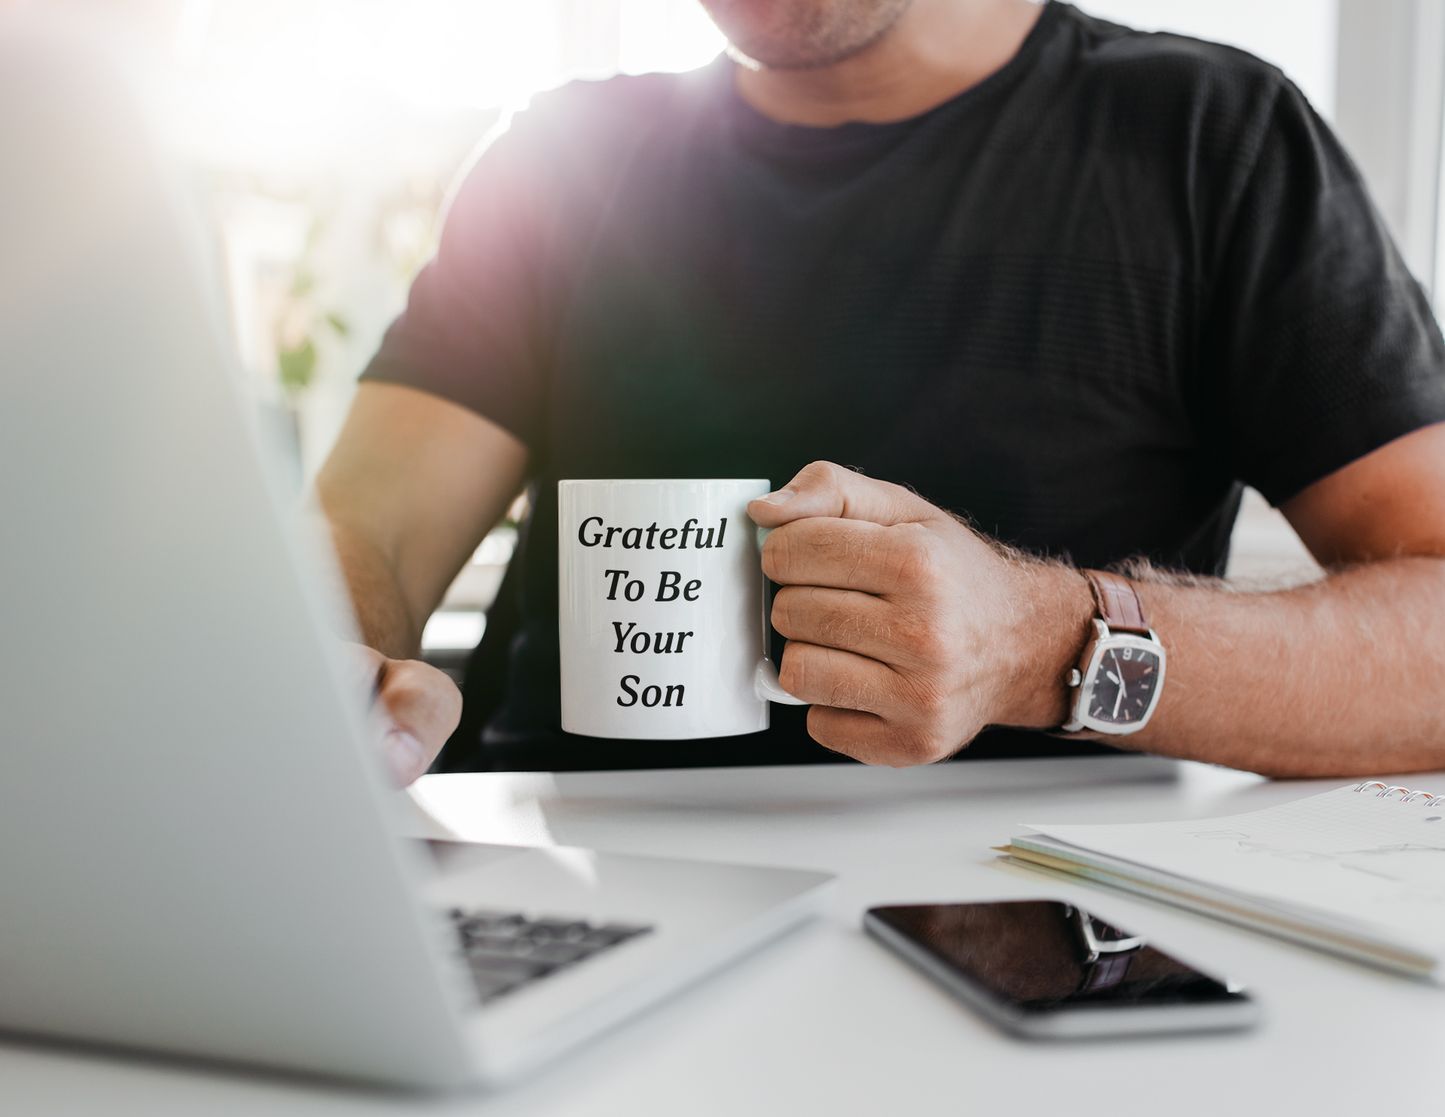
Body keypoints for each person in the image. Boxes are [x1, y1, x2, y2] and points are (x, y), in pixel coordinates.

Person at [318, 0, 1445, 787]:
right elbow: (367, 525)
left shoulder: (1211, 142)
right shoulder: (563, 156)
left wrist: (1038, 642)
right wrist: (337, 666)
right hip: (567, 879)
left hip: (1022, 927)